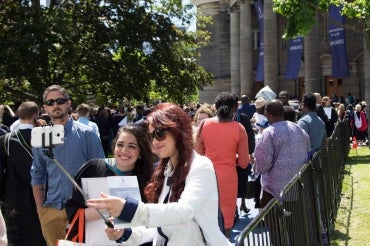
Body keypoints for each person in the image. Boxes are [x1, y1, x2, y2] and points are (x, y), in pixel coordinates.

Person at [87, 102, 232, 246]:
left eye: (160, 133)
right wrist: (125, 233)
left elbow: (184, 211)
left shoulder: (201, 166)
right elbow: (161, 228)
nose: (155, 141)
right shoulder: (166, 171)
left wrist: (128, 209)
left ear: (178, 131)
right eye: (150, 136)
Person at [31, 85, 105, 246]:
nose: (55, 105)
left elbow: (101, 172)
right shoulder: (40, 138)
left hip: (81, 210)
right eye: (50, 102)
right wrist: (41, 211)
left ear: (68, 103)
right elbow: (37, 174)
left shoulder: (87, 134)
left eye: (60, 101)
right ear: (45, 107)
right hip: (52, 209)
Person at [65, 125, 154, 244]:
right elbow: (73, 212)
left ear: (141, 152)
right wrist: (108, 209)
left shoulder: (149, 180)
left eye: (132, 146)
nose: (124, 151)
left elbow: (151, 219)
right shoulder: (92, 169)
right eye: (120, 144)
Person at [195, 92, 249, 237]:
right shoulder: (239, 128)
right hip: (228, 178)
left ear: (216, 107)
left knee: (205, 219)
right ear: (234, 110)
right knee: (226, 224)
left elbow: (198, 152)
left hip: (206, 175)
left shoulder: (204, 124)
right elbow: (244, 162)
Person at [0, 101, 46, 245]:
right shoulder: (45, 137)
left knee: (18, 237)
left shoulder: (5, 139)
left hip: (14, 196)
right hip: (42, 194)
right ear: (36, 115)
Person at [254, 100, 310, 206]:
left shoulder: (269, 132)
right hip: (297, 187)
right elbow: (307, 152)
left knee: (275, 221)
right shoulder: (299, 129)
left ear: (267, 114)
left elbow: (262, 164)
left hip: (274, 192)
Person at [233, 94, 255, 216]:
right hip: (239, 154)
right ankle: (240, 204)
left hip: (237, 154)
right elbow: (250, 137)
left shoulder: (242, 117)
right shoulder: (242, 117)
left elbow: (250, 137)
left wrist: (250, 152)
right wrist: (250, 152)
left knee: (240, 180)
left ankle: (241, 204)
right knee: (241, 179)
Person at [297, 93, 327, 158]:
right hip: (319, 160)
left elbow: (298, 145)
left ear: (303, 105)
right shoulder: (321, 121)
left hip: (306, 162)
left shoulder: (303, 122)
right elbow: (325, 143)